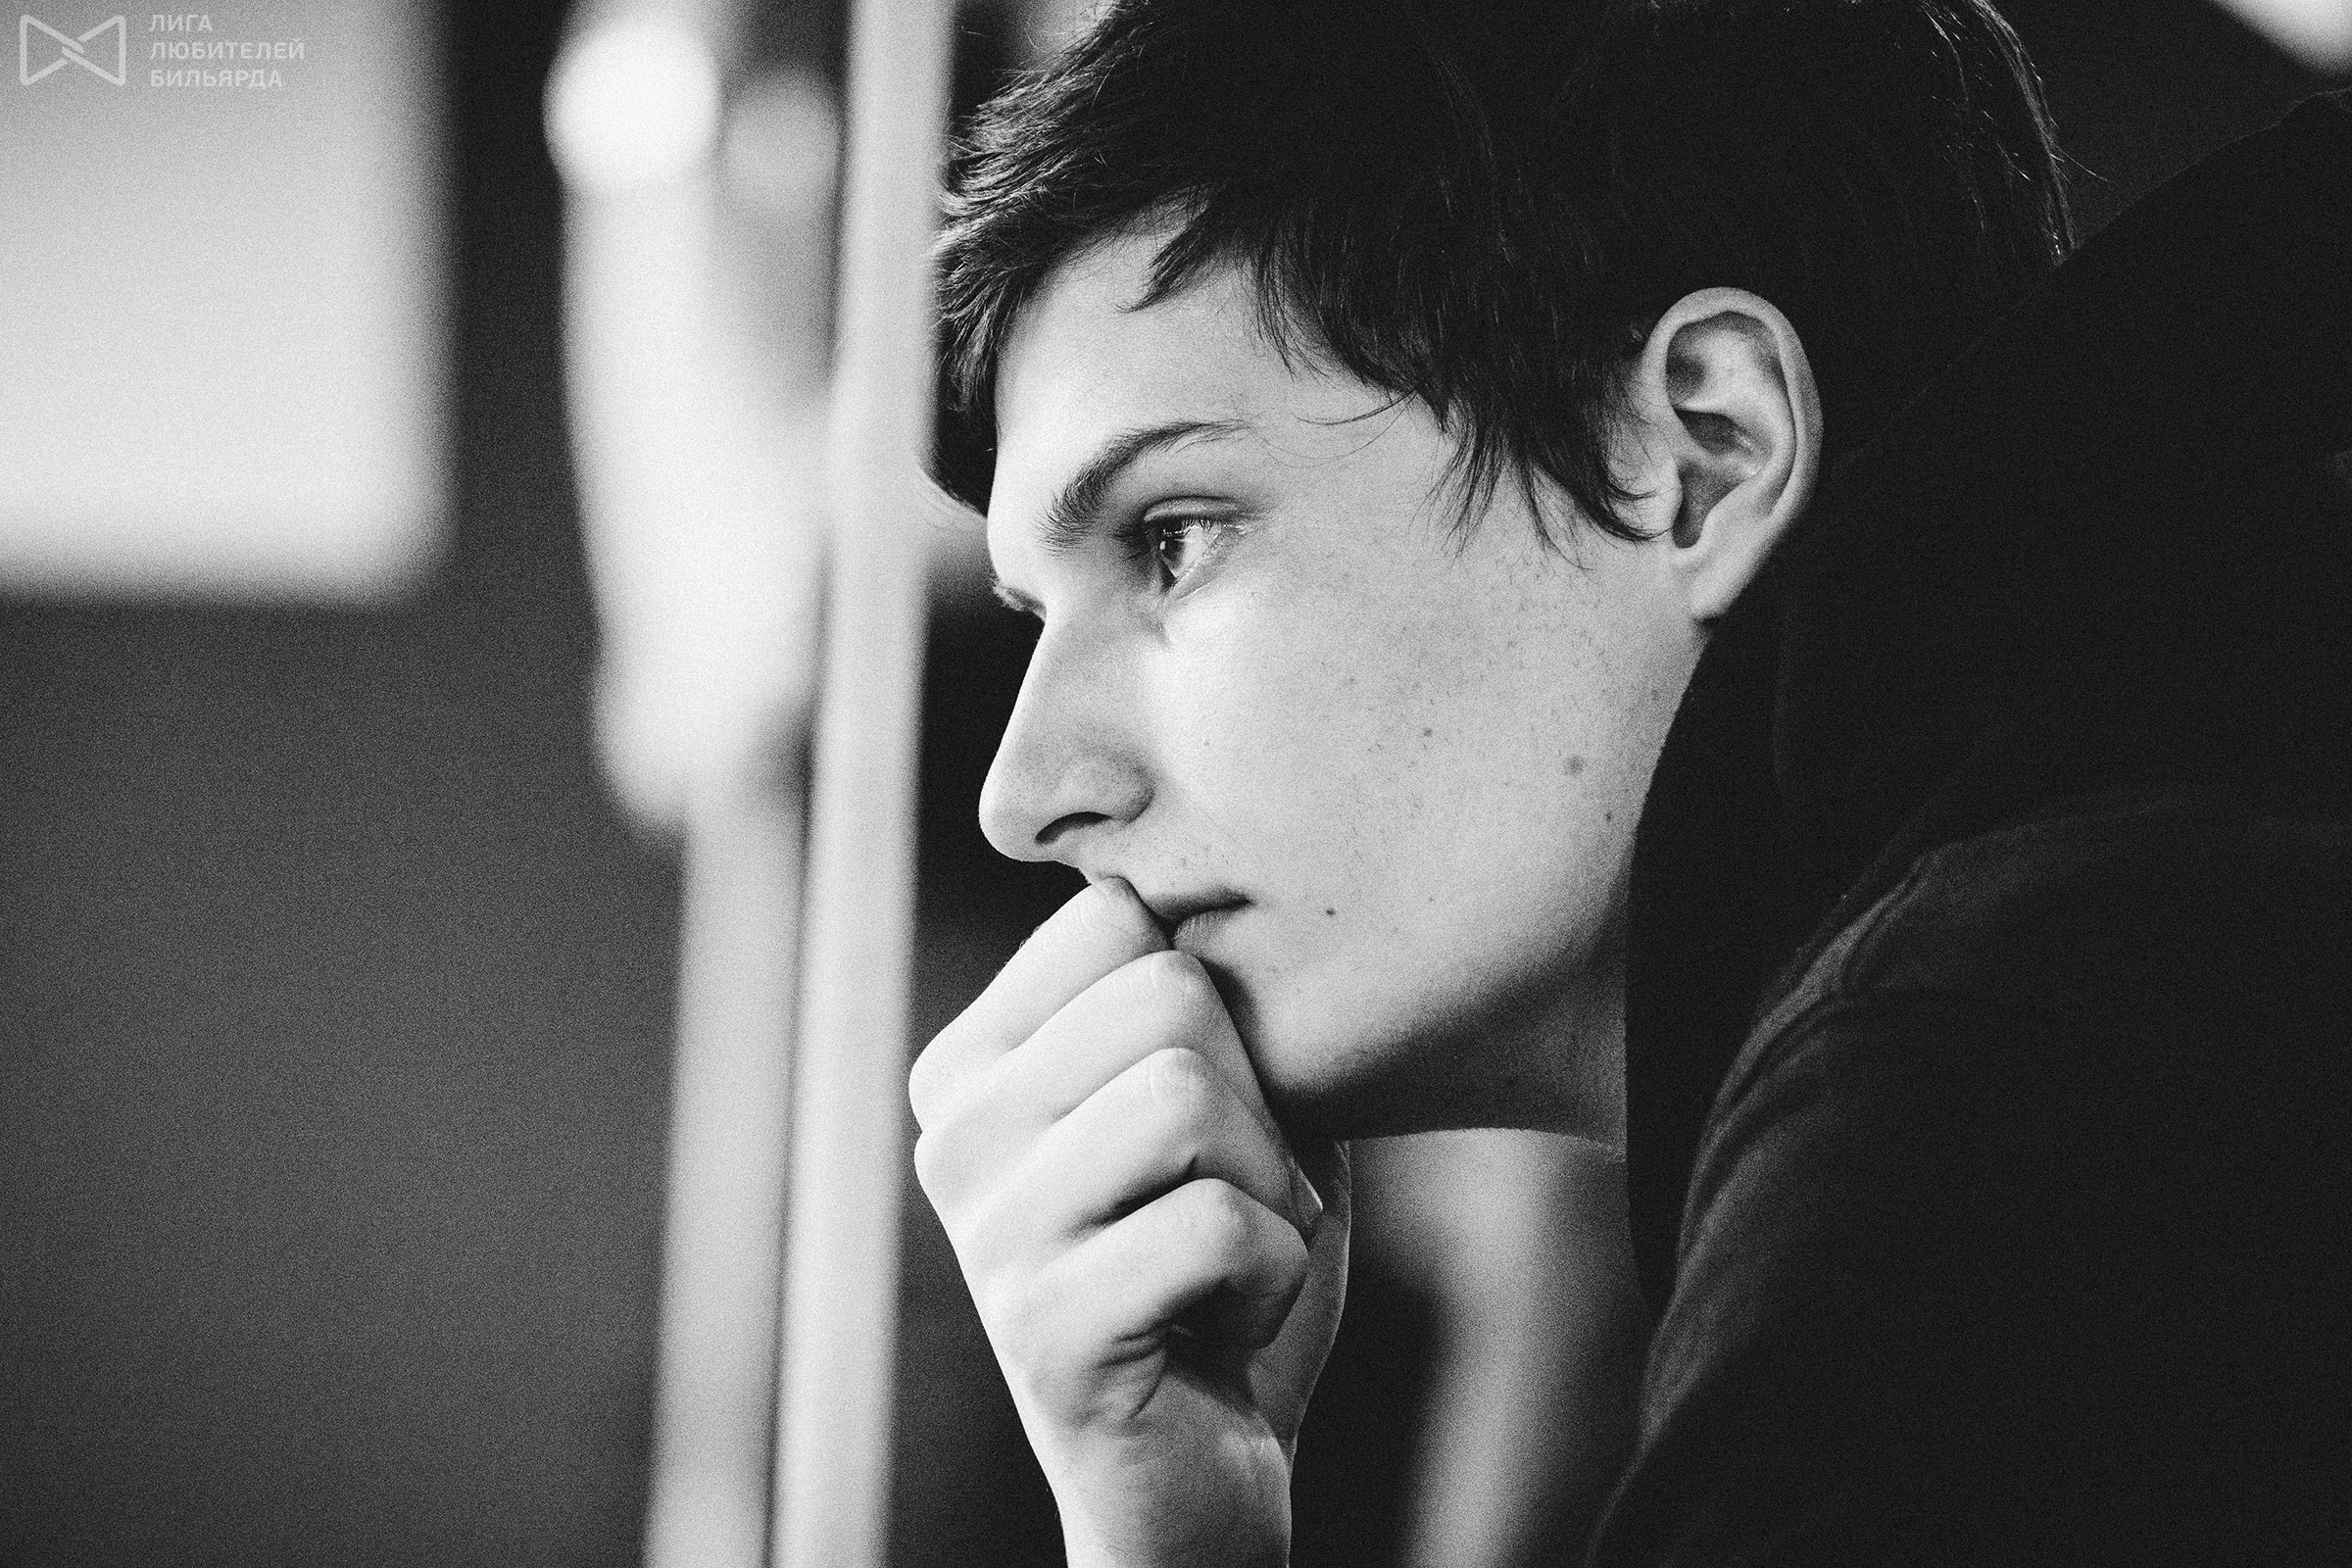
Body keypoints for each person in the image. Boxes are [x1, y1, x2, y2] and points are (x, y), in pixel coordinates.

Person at [905, 0, 2352, 1561]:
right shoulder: (2131, 933)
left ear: (1704, 454)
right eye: (1040, 619)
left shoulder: (1999, 1110)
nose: (1026, 794)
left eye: (1174, 540)